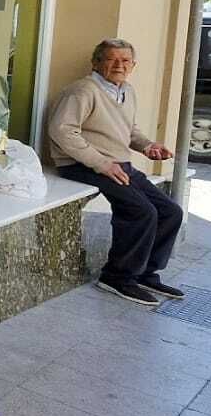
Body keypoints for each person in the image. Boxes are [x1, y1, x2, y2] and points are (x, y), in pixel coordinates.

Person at [48, 39, 183, 307]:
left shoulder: (126, 91)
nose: (119, 65)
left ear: (133, 66)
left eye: (125, 61)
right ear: (96, 62)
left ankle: (145, 272)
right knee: (140, 212)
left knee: (170, 211)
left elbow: (130, 132)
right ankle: (117, 277)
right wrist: (101, 164)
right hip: (82, 164)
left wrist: (148, 147)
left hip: (118, 164)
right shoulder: (82, 91)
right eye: (111, 59)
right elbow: (62, 131)